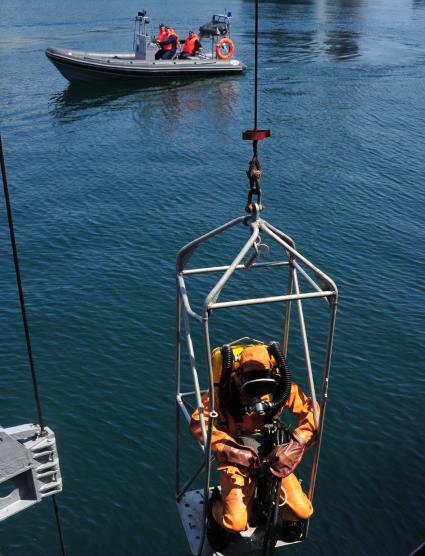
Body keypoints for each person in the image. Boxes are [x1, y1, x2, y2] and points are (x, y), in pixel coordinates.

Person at [190, 342, 318, 550]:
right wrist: (227, 448)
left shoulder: (280, 389)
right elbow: (198, 423)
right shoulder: (224, 393)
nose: (257, 392)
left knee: (303, 512)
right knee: (236, 522)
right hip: (237, 462)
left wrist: (297, 442)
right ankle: (215, 507)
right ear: (239, 375)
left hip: (275, 458)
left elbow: (312, 412)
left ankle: (269, 499)